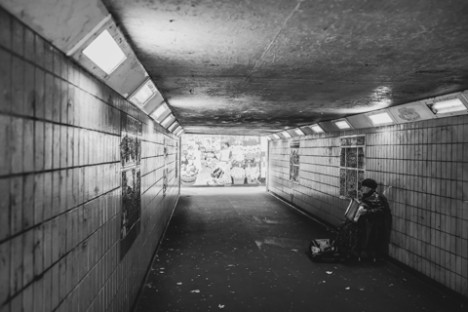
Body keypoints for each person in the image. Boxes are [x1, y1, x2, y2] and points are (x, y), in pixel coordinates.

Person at [354, 178, 392, 262]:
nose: (361, 189)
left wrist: (367, 212)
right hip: (369, 223)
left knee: (372, 241)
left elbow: (381, 210)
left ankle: (372, 257)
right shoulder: (369, 196)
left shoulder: (376, 197)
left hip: (375, 225)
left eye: (363, 187)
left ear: (369, 188)